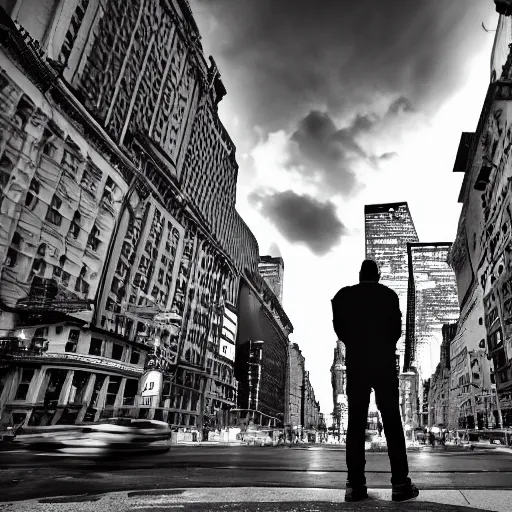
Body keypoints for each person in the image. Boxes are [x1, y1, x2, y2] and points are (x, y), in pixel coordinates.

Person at [331, 259, 419, 503]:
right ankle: (400, 483)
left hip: (357, 364)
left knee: (356, 423)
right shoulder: (388, 296)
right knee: (391, 420)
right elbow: (397, 331)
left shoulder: (345, 296)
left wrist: (355, 342)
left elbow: (340, 329)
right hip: (383, 363)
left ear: (360, 275)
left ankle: (355, 485)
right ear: (377, 276)